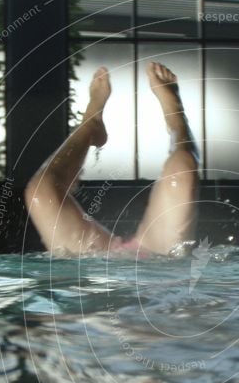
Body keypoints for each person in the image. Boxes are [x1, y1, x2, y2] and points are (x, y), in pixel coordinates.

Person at [24, 61, 200, 256]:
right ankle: (92, 123)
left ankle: (174, 113)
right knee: (41, 191)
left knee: (182, 169)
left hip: (123, 258)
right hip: (150, 260)